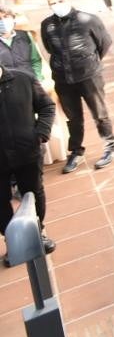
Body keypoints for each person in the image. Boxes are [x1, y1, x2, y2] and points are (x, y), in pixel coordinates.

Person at [40, 0, 114, 173]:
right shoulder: (47, 25)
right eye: (53, 3)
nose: (57, 6)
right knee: (73, 118)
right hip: (63, 79)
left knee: (100, 114)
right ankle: (76, 151)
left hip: (89, 76)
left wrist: (88, 62)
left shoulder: (88, 20)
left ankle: (110, 147)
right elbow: (50, 48)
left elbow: (104, 43)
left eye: (60, 1)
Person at [0, 64, 58, 263]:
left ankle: (37, 233)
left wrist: (40, 133)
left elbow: (47, 106)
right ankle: (13, 242)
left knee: (33, 193)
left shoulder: (22, 79)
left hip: (27, 152)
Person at [0, 7, 43, 80]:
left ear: (13, 18)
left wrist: (37, 79)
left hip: (30, 82)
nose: (3, 21)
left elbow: (36, 61)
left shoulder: (26, 36)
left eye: (6, 17)